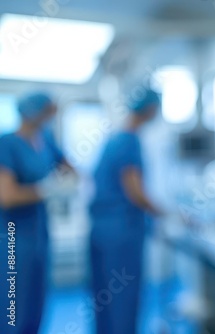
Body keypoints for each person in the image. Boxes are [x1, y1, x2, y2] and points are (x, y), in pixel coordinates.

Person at [89, 88, 164, 334]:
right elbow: (135, 192)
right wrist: (165, 213)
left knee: (105, 298)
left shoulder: (113, 139)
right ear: (151, 109)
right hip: (122, 235)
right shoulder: (129, 140)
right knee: (123, 300)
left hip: (101, 230)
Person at [0, 91, 75, 334]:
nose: (50, 117)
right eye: (47, 112)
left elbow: (71, 170)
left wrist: (67, 182)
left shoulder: (46, 140)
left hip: (40, 233)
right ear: (33, 112)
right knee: (13, 308)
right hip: (13, 237)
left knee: (36, 303)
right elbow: (7, 197)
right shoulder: (7, 144)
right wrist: (46, 189)